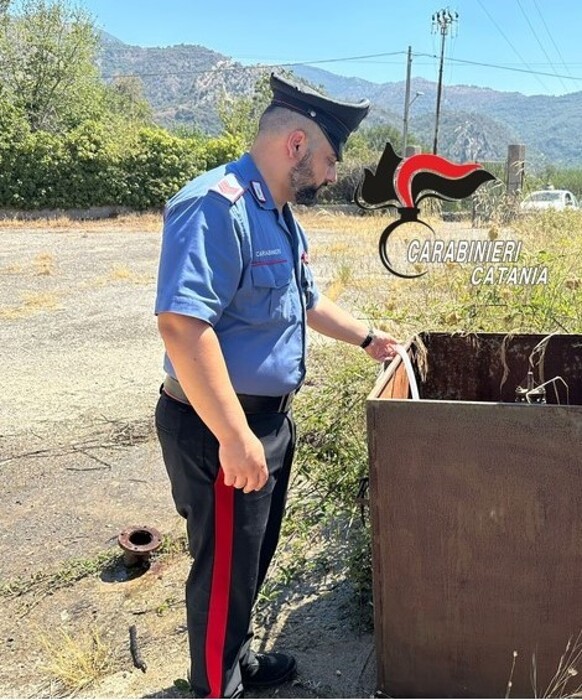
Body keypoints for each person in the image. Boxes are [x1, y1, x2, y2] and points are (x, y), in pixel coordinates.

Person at [154, 73, 399, 699]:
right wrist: (236, 439)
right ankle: (216, 687)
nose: (326, 176)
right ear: (294, 144)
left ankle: (232, 661)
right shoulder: (217, 205)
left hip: (265, 424)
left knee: (248, 562)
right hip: (222, 428)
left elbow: (308, 304)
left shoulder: (280, 217)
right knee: (222, 574)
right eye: (325, 160)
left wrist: (370, 338)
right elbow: (183, 328)